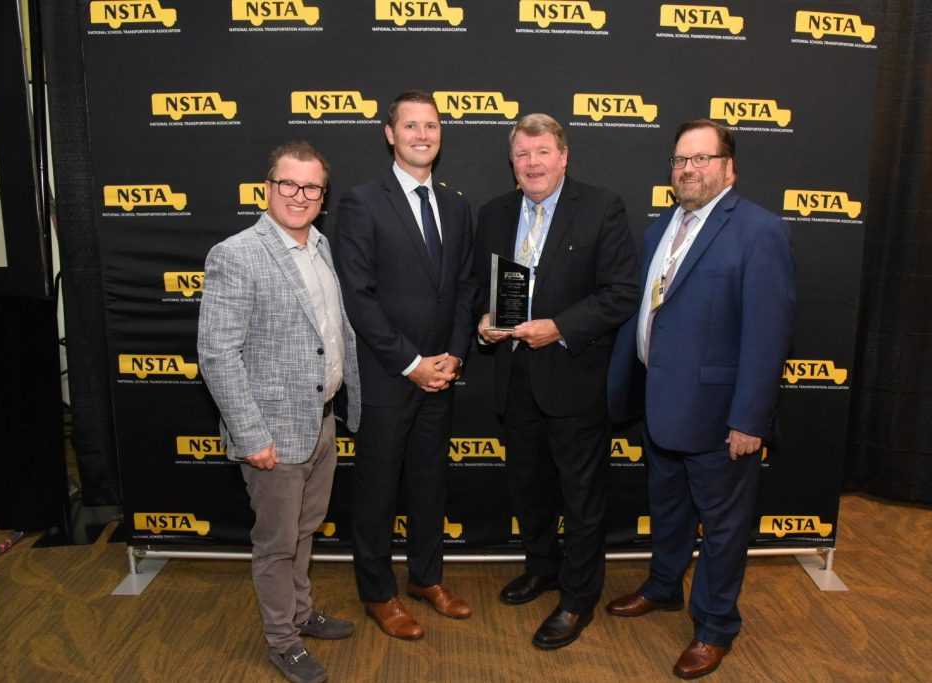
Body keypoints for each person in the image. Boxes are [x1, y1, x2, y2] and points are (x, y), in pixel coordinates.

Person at [605, 118, 796, 679]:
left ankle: (714, 626)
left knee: (723, 527)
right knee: (667, 513)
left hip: (720, 419)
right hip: (660, 406)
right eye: (680, 160)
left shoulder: (760, 231)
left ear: (728, 167)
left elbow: (769, 335)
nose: (688, 169)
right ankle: (664, 587)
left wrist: (749, 420)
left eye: (701, 159)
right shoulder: (659, 229)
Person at [198, 141, 361, 683]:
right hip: (270, 432)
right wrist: (249, 435)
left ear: (322, 195)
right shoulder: (236, 253)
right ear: (268, 188)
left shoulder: (321, 246)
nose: (299, 195)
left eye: (311, 187)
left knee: (306, 529)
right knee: (275, 543)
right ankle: (282, 640)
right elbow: (217, 352)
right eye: (288, 184)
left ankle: (300, 611)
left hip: (320, 420)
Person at [475, 113, 638, 649]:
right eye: (522, 154)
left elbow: (620, 293)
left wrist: (560, 328)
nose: (533, 163)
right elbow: (483, 289)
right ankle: (542, 567)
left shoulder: (600, 206)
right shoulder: (495, 213)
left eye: (542, 151)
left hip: (574, 377)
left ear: (563, 157)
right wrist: (484, 323)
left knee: (581, 496)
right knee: (529, 488)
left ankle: (577, 596)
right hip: (514, 376)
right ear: (512, 162)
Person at [332, 90, 476, 640]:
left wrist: (454, 357)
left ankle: (426, 579)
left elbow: (464, 288)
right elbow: (359, 297)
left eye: (432, 126)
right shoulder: (361, 202)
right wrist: (412, 362)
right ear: (389, 133)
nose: (423, 134)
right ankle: (378, 592)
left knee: (429, 482)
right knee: (377, 488)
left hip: (442, 375)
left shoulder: (456, 204)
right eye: (411, 126)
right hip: (388, 375)